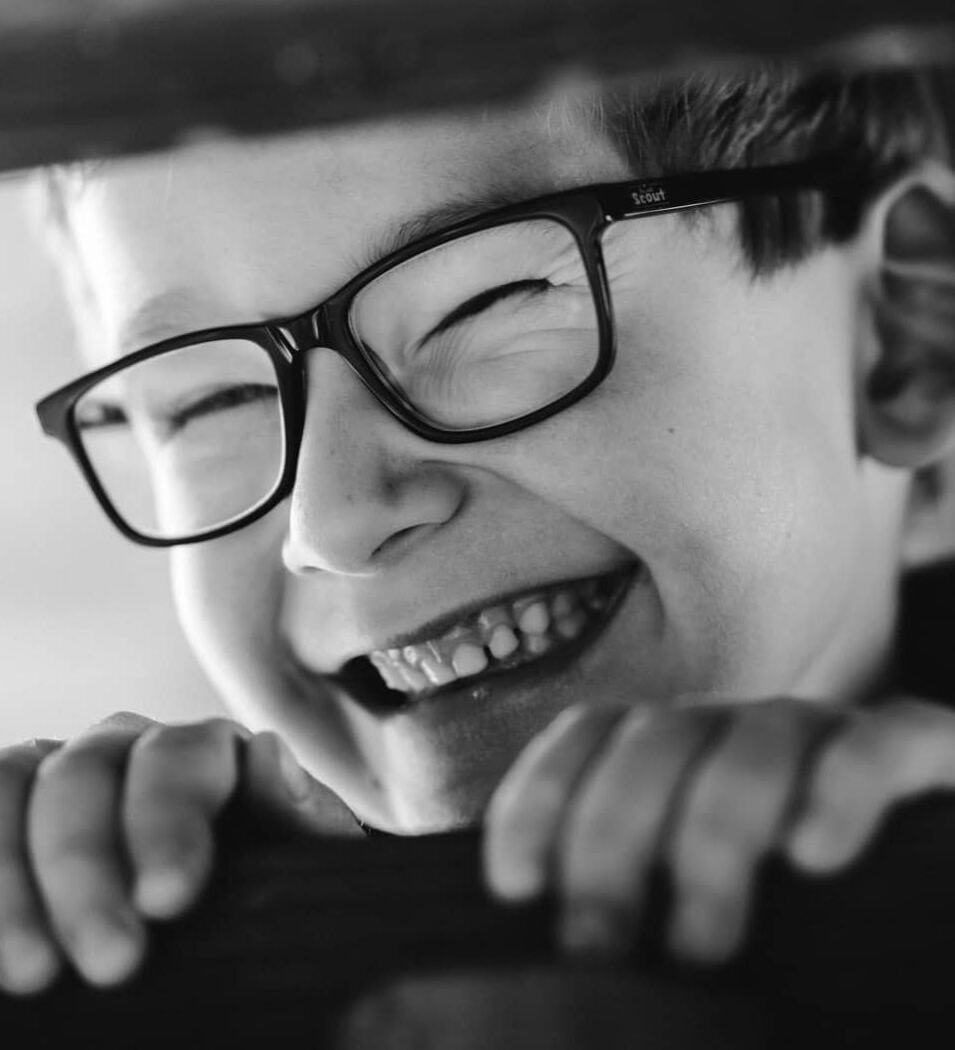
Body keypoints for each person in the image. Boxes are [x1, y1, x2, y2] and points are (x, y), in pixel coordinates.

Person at [2, 62, 954, 999]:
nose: (331, 521)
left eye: (486, 305)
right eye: (207, 401)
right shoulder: (174, 922)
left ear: (907, 342)